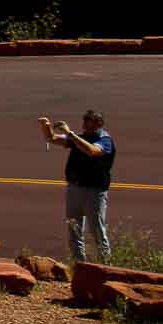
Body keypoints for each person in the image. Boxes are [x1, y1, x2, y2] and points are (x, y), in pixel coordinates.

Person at [40, 110, 115, 262]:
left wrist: (70, 133)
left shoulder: (104, 139)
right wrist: (45, 126)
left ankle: (106, 267)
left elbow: (91, 151)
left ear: (98, 124)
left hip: (94, 192)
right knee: (74, 230)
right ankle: (79, 265)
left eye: (89, 122)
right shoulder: (79, 138)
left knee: (97, 231)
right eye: (84, 122)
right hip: (74, 189)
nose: (85, 125)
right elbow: (52, 138)